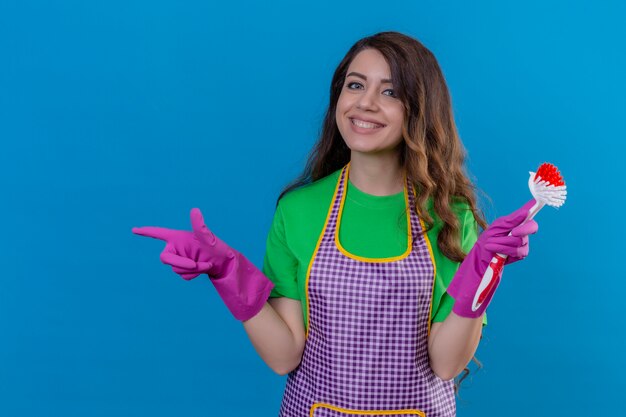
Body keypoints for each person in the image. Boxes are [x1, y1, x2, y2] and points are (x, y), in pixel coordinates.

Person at [133, 31, 538, 417]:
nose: (365, 103)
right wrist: (228, 272)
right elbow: (284, 354)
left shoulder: (449, 217)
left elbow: (446, 364)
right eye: (356, 85)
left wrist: (485, 273)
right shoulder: (299, 209)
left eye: (391, 92)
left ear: (419, 110)